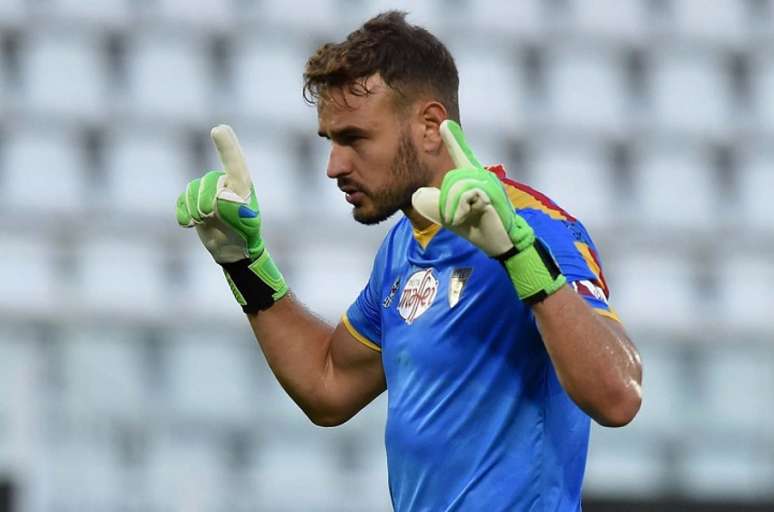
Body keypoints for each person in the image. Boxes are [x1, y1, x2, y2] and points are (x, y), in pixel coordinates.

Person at [176, 10, 642, 511]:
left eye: (354, 137)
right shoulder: (402, 247)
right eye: (330, 141)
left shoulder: (538, 228)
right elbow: (329, 383)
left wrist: (519, 255)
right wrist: (245, 263)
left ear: (429, 125)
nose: (334, 166)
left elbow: (618, 396)